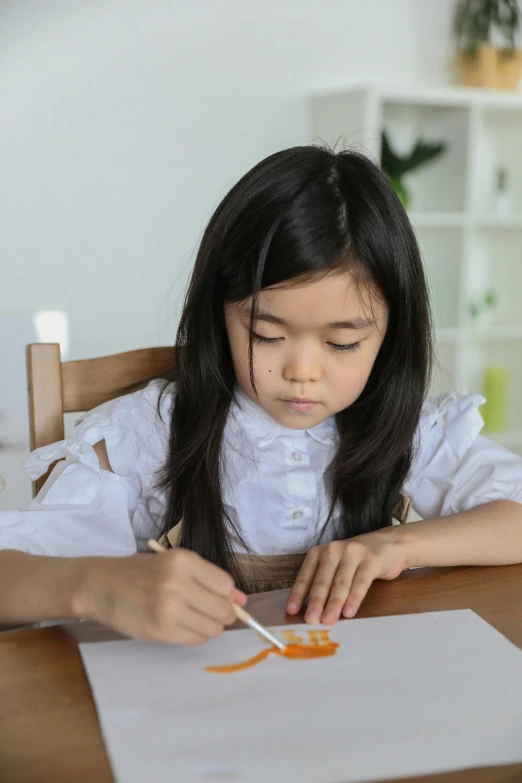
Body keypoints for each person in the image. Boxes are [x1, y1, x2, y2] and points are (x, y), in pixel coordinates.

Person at [1, 146, 521, 645]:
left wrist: (399, 545)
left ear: (390, 336)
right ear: (219, 316)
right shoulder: (145, 435)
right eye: (266, 335)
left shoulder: (409, 430)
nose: (301, 372)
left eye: (343, 343)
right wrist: (95, 586)